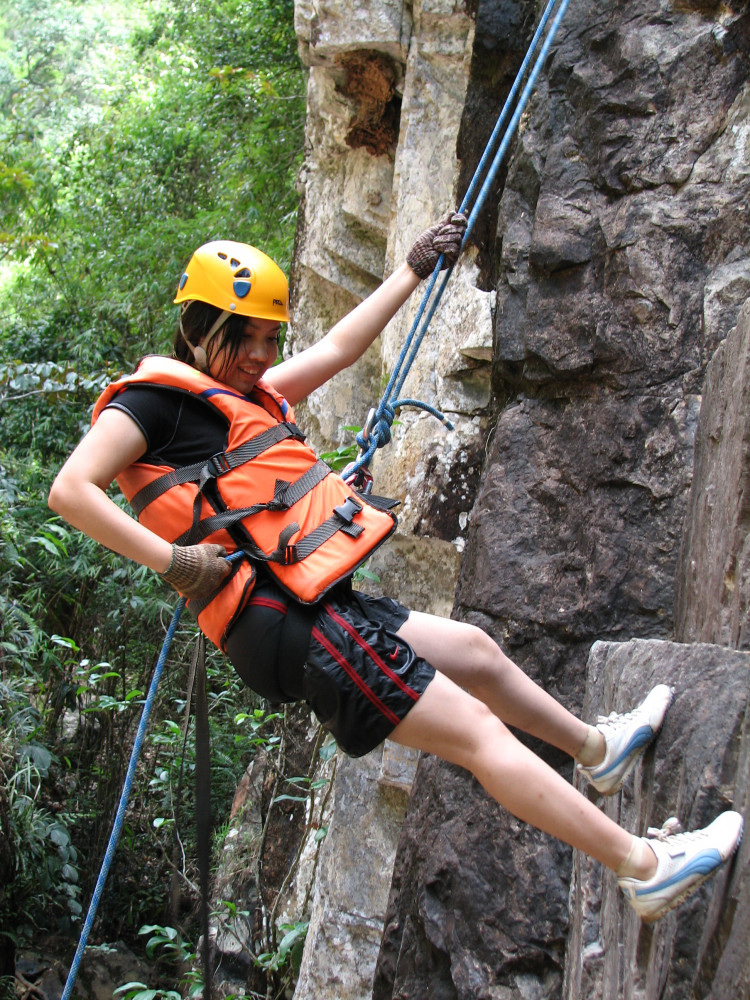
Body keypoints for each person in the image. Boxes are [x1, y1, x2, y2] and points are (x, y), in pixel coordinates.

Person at [49, 216, 743, 925]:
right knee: (474, 730)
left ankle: (600, 752)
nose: (259, 353)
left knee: (474, 652)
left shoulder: (243, 396)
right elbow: (70, 490)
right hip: (284, 625)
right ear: (198, 327)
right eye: (243, 334)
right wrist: (176, 562)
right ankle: (646, 868)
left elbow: (338, 350)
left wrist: (413, 268)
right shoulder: (151, 405)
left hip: (315, 603)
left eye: (268, 337)